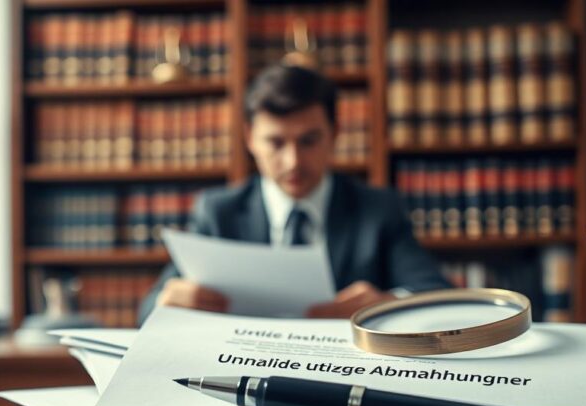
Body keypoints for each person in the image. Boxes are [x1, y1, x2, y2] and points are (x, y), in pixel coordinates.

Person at [138, 64, 448, 324]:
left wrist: (385, 305)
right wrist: (168, 306)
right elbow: (148, 311)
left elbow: (436, 293)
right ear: (249, 138)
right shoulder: (219, 211)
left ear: (335, 134)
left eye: (309, 141)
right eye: (275, 143)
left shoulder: (377, 208)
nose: (293, 161)